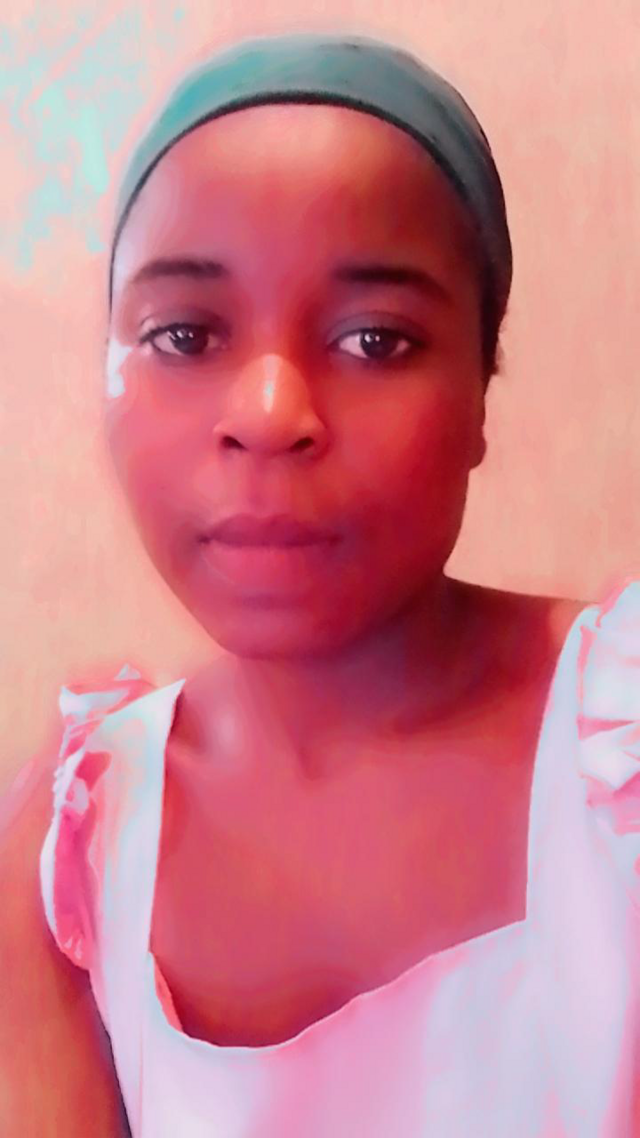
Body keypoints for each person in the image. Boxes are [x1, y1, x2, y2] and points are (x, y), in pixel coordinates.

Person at [1, 29, 637, 1137]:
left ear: (481, 391)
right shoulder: (66, 862)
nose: (268, 412)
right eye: (183, 334)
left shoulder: (616, 755)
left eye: (376, 340)